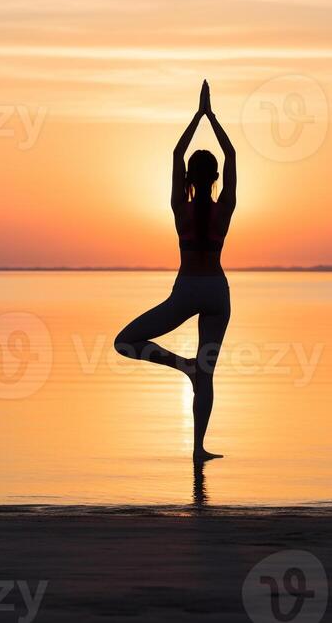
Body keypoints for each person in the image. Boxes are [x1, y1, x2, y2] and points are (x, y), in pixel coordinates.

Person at [114, 80, 236, 462]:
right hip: (216, 290)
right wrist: (211, 117)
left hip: (186, 291)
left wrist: (196, 116)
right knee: (208, 372)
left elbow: (176, 152)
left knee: (126, 342)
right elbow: (231, 154)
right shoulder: (224, 207)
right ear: (215, 178)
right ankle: (198, 449)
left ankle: (181, 366)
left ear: (187, 179)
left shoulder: (179, 208)